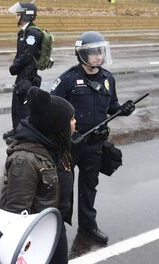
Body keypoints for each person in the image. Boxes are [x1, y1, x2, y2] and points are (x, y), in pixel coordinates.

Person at [51, 31, 135, 244]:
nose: (98, 56)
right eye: (93, 52)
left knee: (89, 188)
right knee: (63, 192)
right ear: (81, 55)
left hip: (95, 146)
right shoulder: (68, 79)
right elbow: (52, 110)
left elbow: (112, 106)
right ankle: (55, 230)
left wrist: (124, 109)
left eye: (100, 52)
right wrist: (68, 134)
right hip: (70, 145)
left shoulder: (108, 78)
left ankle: (88, 226)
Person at [0, 87, 76, 264]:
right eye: (71, 119)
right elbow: (16, 214)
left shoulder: (58, 147)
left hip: (55, 227)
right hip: (35, 236)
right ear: (57, 126)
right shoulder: (25, 160)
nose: (75, 122)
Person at [3, 2, 42, 143]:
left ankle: (21, 135)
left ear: (26, 15)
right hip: (22, 74)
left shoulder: (32, 33)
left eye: (18, 14)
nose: (16, 17)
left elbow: (26, 55)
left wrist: (14, 67)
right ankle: (16, 128)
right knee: (16, 104)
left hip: (28, 75)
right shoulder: (24, 31)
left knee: (23, 107)